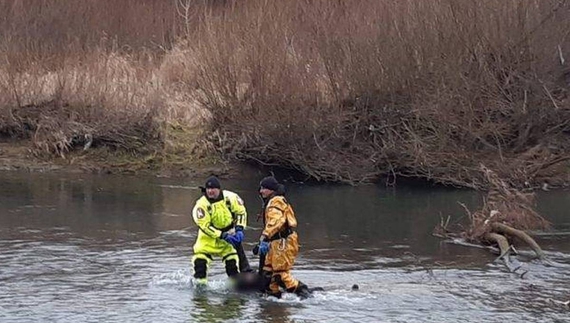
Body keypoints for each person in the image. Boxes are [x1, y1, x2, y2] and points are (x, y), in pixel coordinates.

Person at [191, 176, 251, 286]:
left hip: (228, 237)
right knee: (200, 267)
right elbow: (204, 226)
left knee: (233, 267)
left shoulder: (230, 198)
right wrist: (222, 235)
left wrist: (239, 229)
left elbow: (241, 212)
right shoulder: (201, 205)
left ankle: (235, 293)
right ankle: (200, 295)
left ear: (219, 189)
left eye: (213, 189)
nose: (210, 191)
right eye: (208, 189)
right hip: (207, 240)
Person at [256, 176, 310, 298]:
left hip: (283, 243)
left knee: (280, 275)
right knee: (267, 274)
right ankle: (274, 303)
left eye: (264, 188)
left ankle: (303, 293)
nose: (261, 191)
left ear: (270, 190)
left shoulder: (275, 202)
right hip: (276, 243)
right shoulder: (274, 200)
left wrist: (264, 237)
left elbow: (276, 221)